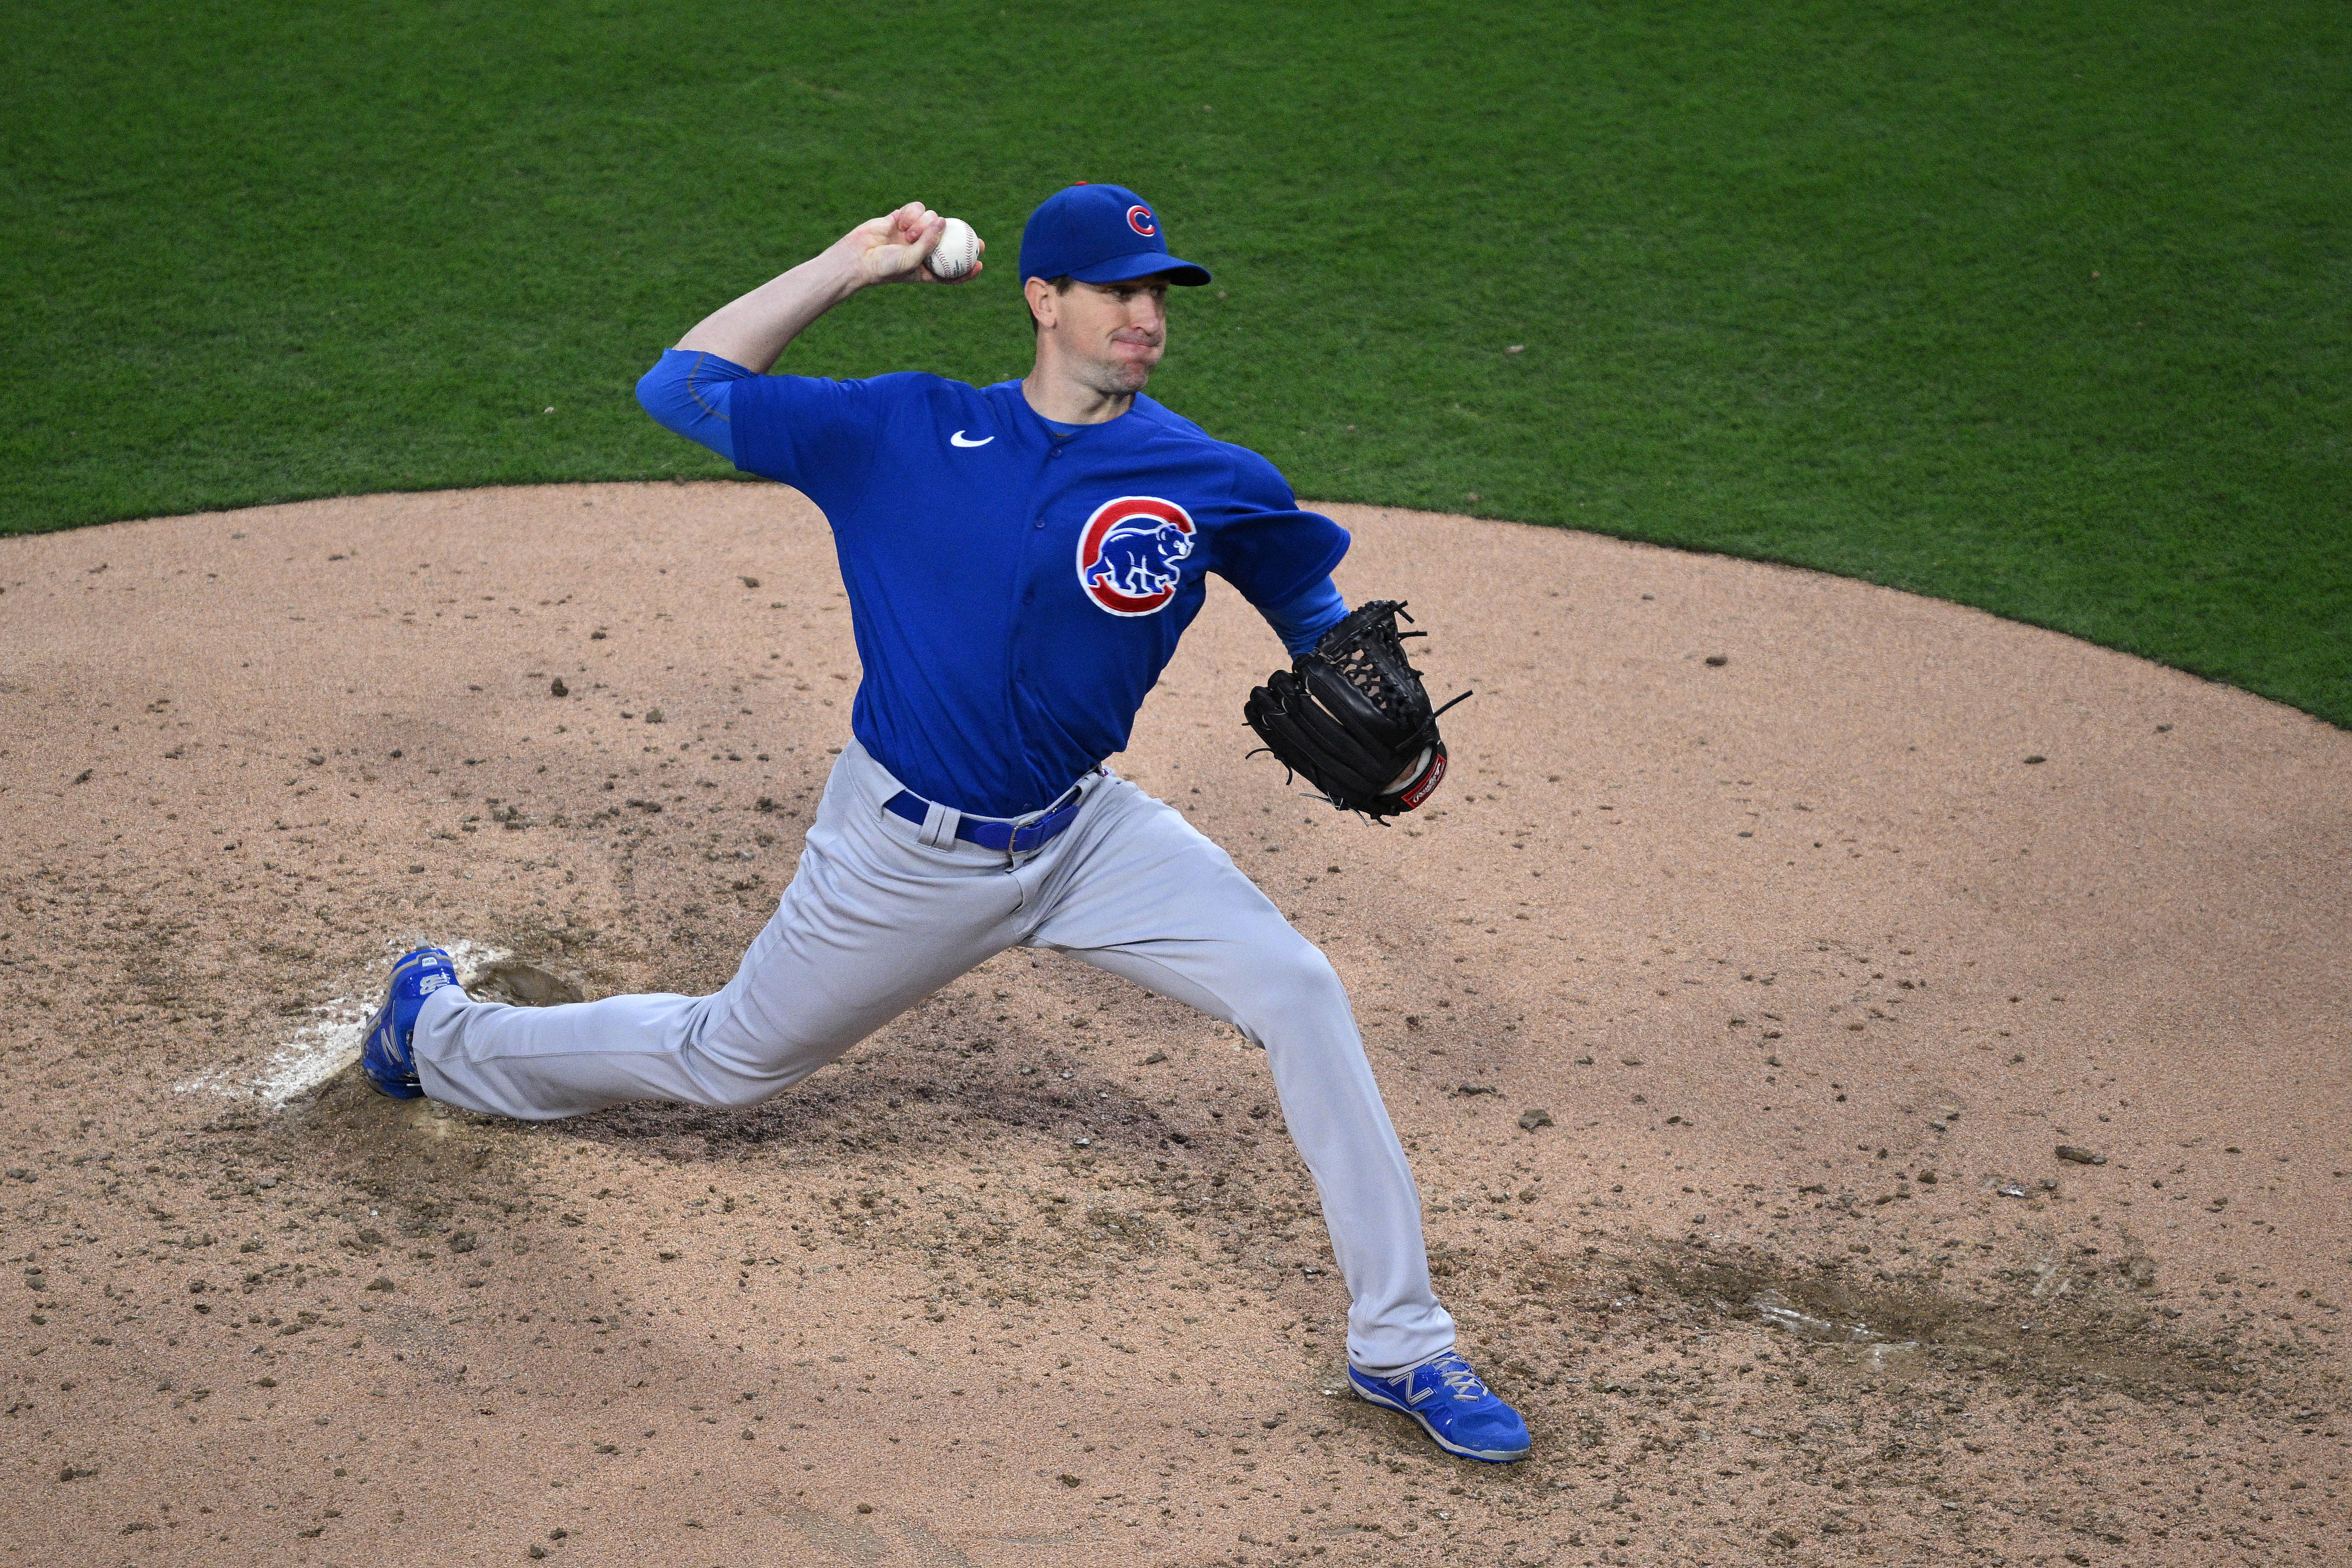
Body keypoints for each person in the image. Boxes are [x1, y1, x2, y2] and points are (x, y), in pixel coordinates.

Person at [359, 185, 1530, 1463]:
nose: (1146, 316)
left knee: (1300, 988)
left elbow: (1312, 601)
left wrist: (1373, 706)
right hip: (901, 853)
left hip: (1089, 839)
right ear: (1044, 300)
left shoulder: (1210, 478)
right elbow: (681, 389)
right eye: (1119, 292)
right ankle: (440, 1036)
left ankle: (1403, 1343)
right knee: (726, 1061)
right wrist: (848, 266)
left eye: (1160, 295)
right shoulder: (904, 429)